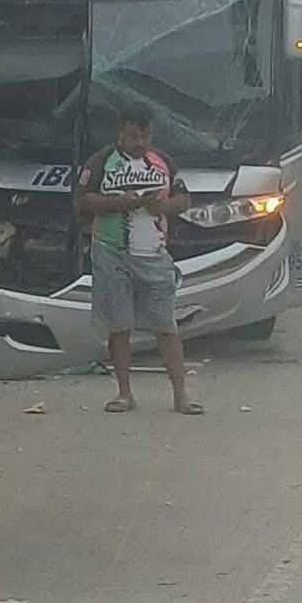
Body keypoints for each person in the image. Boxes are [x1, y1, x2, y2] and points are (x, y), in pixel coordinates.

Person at [74, 103, 203, 415]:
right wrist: (121, 203)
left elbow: (184, 199)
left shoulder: (163, 163)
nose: (140, 143)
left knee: (166, 326)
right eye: (133, 136)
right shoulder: (101, 162)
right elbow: (82, 200)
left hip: (154, 255)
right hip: (111, 253)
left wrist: (163, 208)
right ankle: (124, 394)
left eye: (144, 136)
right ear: (120, 133)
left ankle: (181, 395)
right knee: (119, 326)